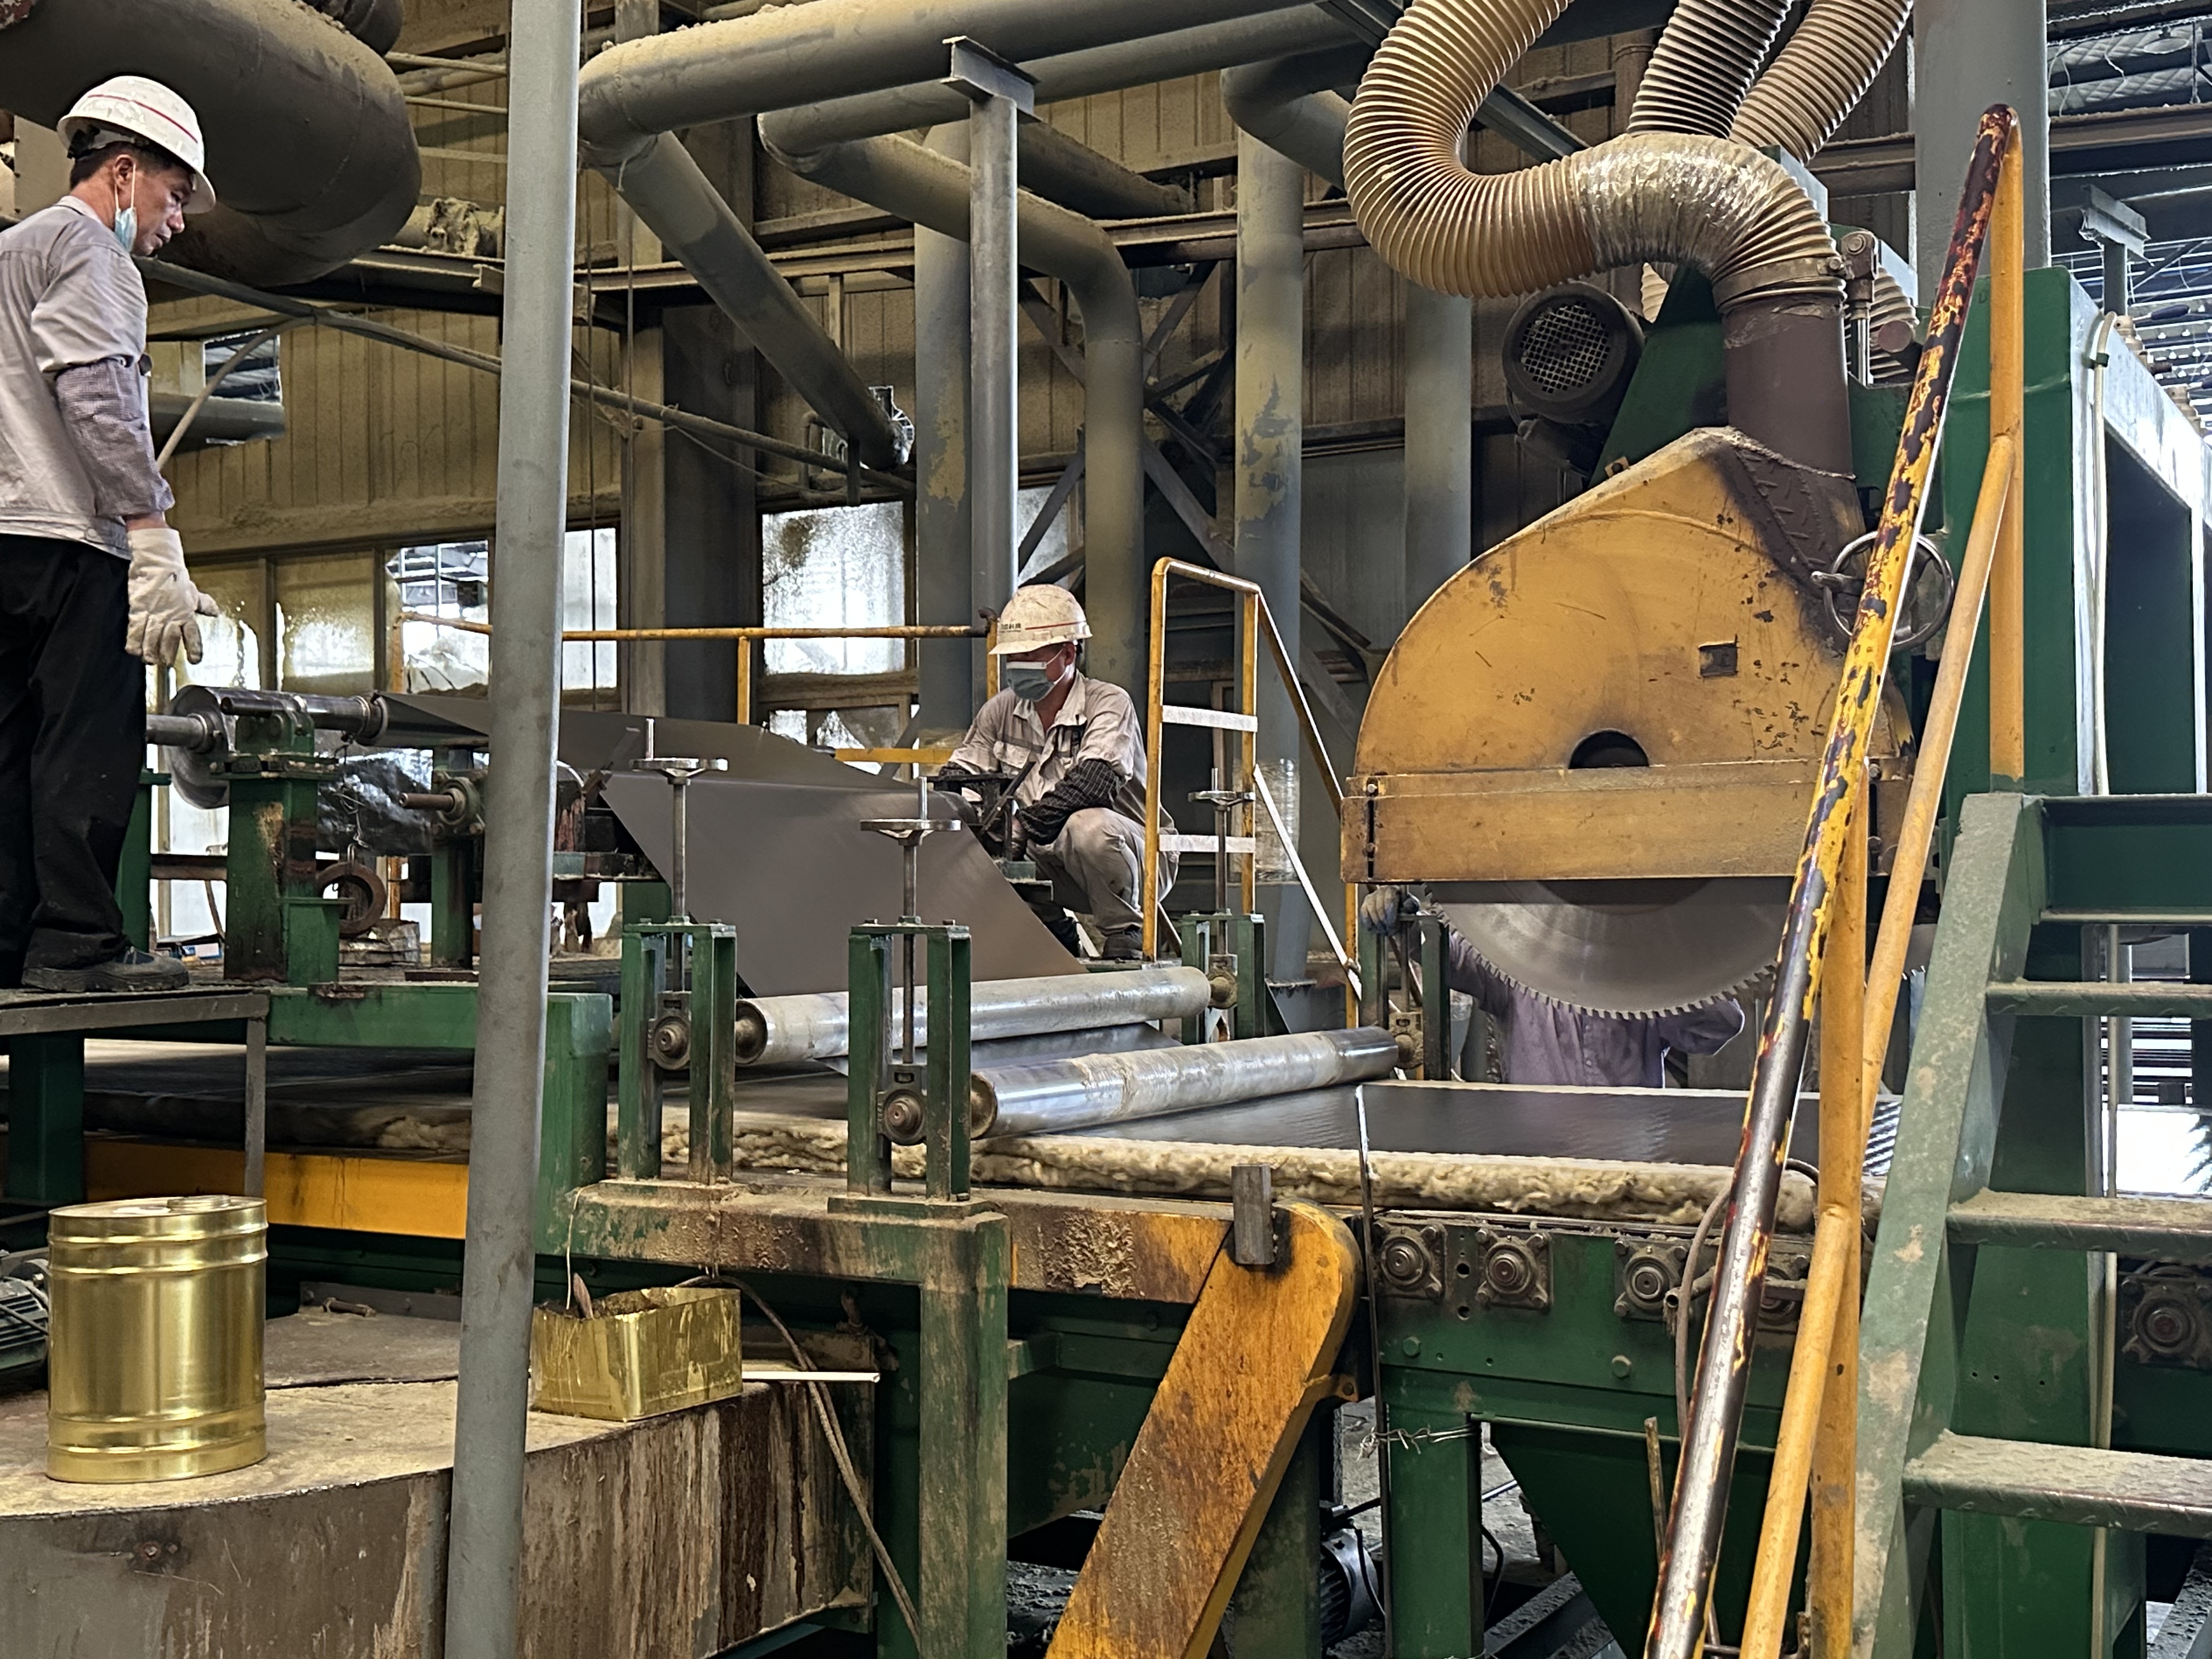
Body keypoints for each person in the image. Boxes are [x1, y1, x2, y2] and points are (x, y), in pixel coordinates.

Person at [0, 77, 219, 992]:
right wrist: (151, 533)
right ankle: (79, 944)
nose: (176, 221)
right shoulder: (93, 253)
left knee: (8, 749)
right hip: (70, 540)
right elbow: (97, 396)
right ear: (123, 172)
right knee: (89, 743)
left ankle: (13, 943)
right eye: (173, 195)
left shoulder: (10, 250)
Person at [938, 585, 1172, 961]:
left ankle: (1124, 930)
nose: (1017, 666)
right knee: (977, 841)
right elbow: (959, 775)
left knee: (1089, 826)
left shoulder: (1109, 703)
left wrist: (1021, 827)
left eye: (1029, 656)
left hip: (1134, 862)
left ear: (1068, 653)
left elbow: (1095, 783)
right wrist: (943, 812)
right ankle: (1051, 929)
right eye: (1013, 657)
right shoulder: (1000, 711)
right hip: (1050, 858)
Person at [1360, 887, 1745, 1087]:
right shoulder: (1514, 968)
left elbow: (1722, 1025)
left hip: (1629, 1165)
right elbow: (1445, 956)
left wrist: (1652, 963)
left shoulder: (1639, 980)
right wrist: (1405, 919)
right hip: (1541, 1168)